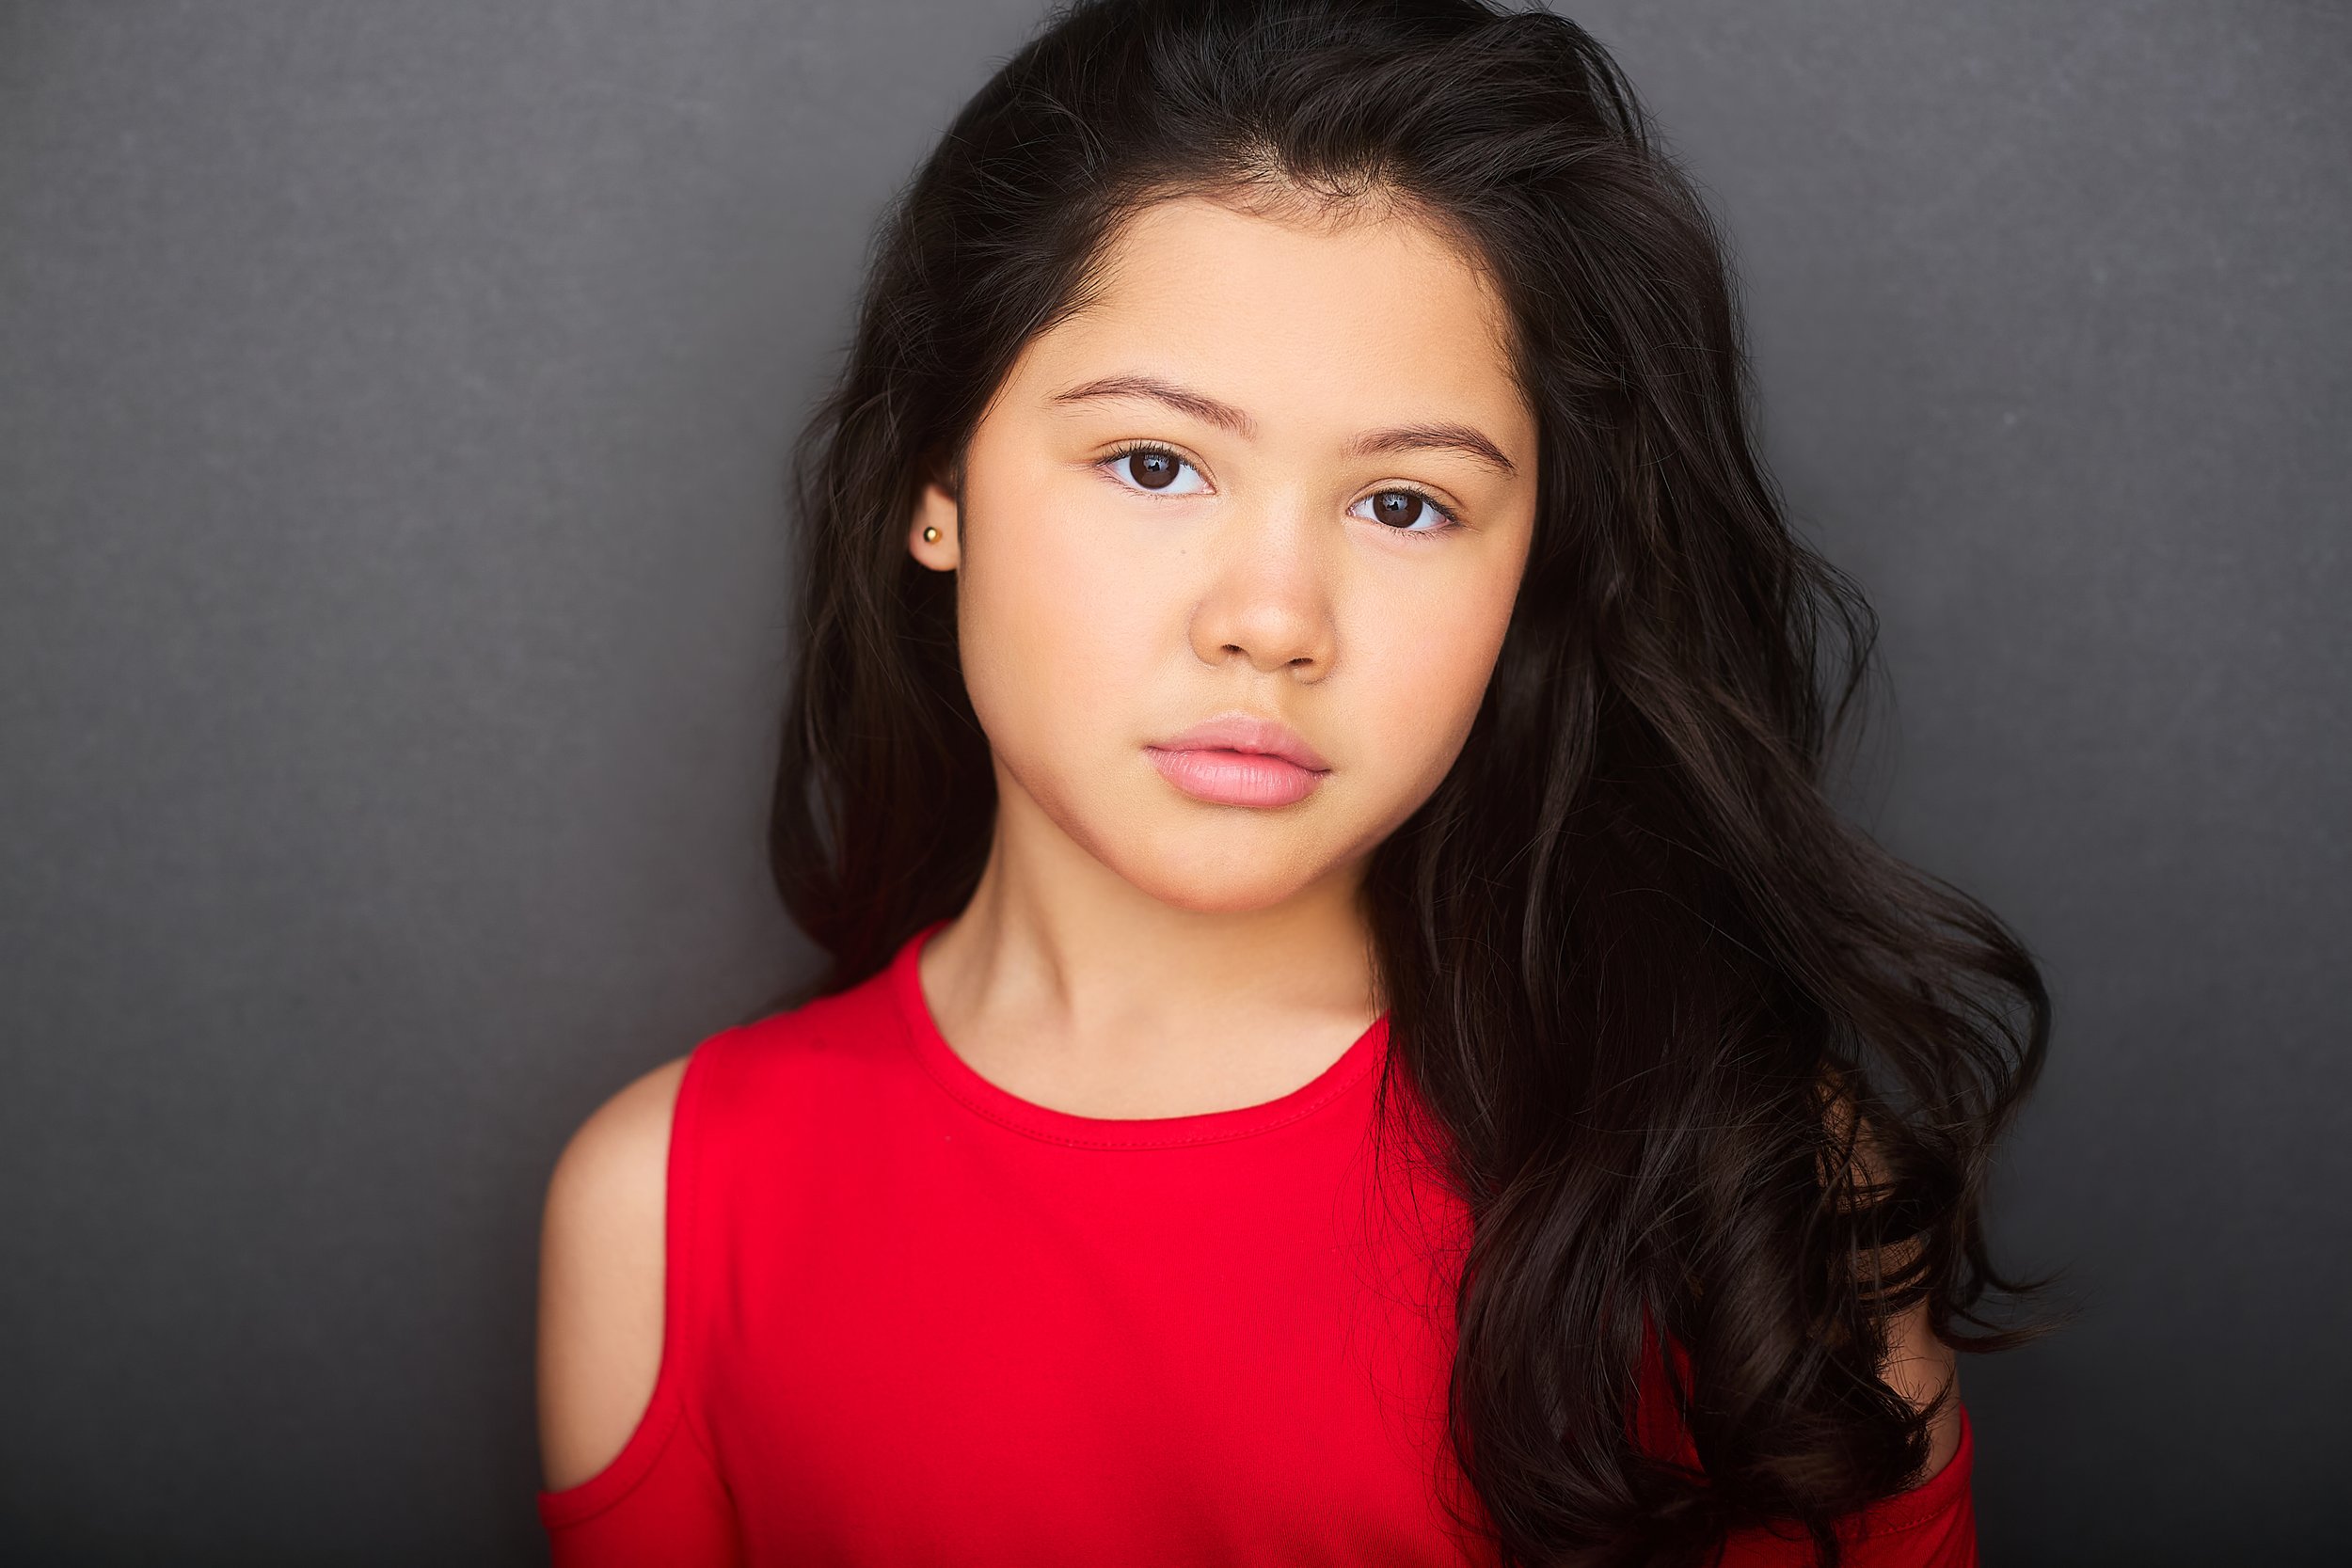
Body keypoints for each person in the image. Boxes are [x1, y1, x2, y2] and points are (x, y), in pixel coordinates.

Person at [532, 1, 2050, 1563]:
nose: (1271, 619)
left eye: (1404, 504)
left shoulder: (1738, 1181)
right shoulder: (667, 1217)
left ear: (1530, 571)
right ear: (940, 484)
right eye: (1153, 464)